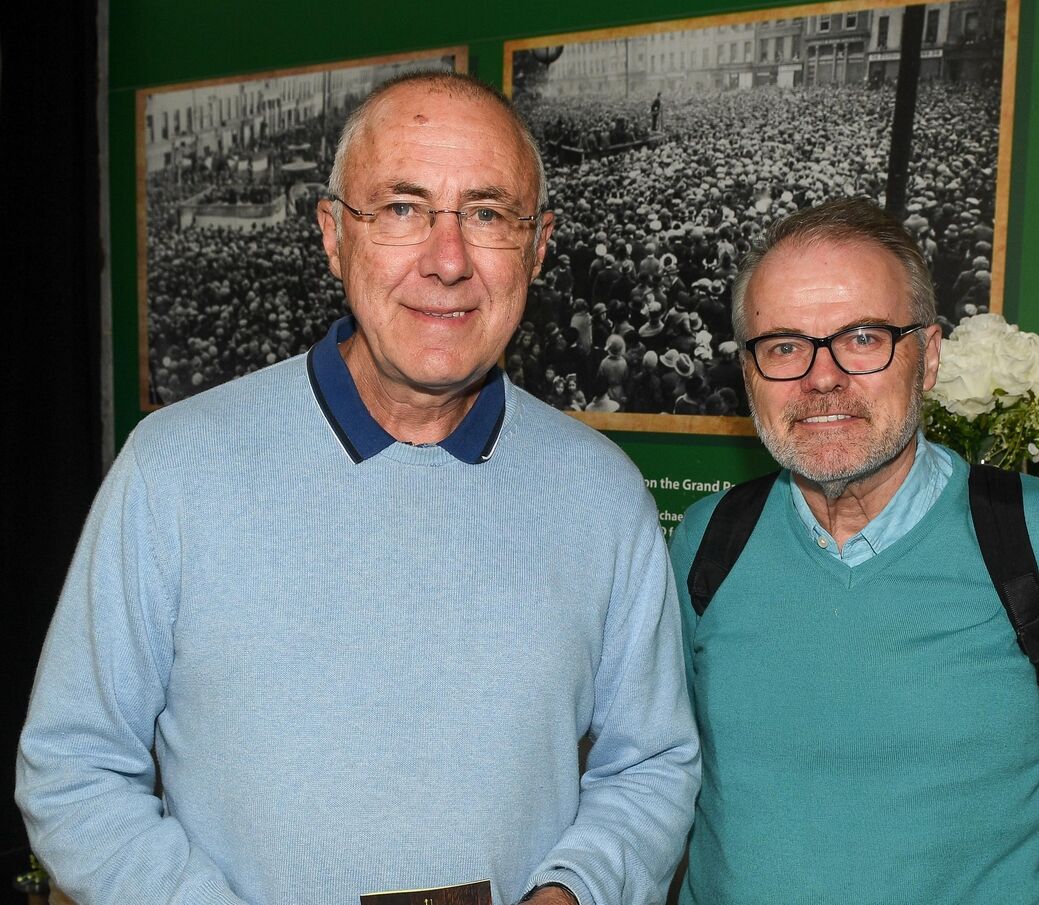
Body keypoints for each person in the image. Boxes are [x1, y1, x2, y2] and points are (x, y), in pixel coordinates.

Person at [17, 71, 699, 905]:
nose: (447, 261)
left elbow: (651, 764)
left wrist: (577, 891)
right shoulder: (172, 468)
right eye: (403, 208)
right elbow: (73, 766)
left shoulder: (603, 494)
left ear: (539, 245)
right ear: (334, 235)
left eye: (487, 214)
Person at [669, 198, 1039, 904]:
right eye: (783, 345)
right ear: (747, 373)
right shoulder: (706, 544)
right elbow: (661, 777)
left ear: (929, 357)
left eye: (862, 338)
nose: (821, 377)